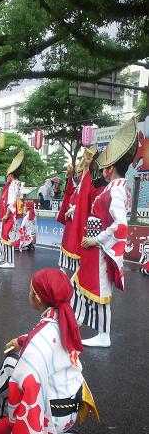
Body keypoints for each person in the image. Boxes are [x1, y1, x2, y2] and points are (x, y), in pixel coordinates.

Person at [0, 268, 98, 434]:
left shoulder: (40, 341)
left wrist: (14, 423)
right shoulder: (63, 318)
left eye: (30, 290)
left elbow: (24, 388)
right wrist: (22, 340)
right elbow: (48, 343)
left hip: (52, 415)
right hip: (72, 402)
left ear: (37, 298)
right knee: (13, 366)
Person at [71, 117, 138, 347]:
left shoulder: (117, 190)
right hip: (95, 245)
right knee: (82, 282)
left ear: (111, 169)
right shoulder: (115, 187)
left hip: (99, 246)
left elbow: (120, 225)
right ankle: (78, 320)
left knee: (100, 291)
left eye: (106, 167)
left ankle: (103, 335)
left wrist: (97, 240)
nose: (104, 170)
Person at [0, 150, 24, 268]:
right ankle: (3, 257)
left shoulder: (12, 185)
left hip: (11, 214)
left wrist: (6, 214)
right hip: (15, 214)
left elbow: (11, 202)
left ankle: (10, 262)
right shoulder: (18, 184)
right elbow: (19, 199)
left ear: (11, 175)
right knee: (6, 235)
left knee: (8, 236)